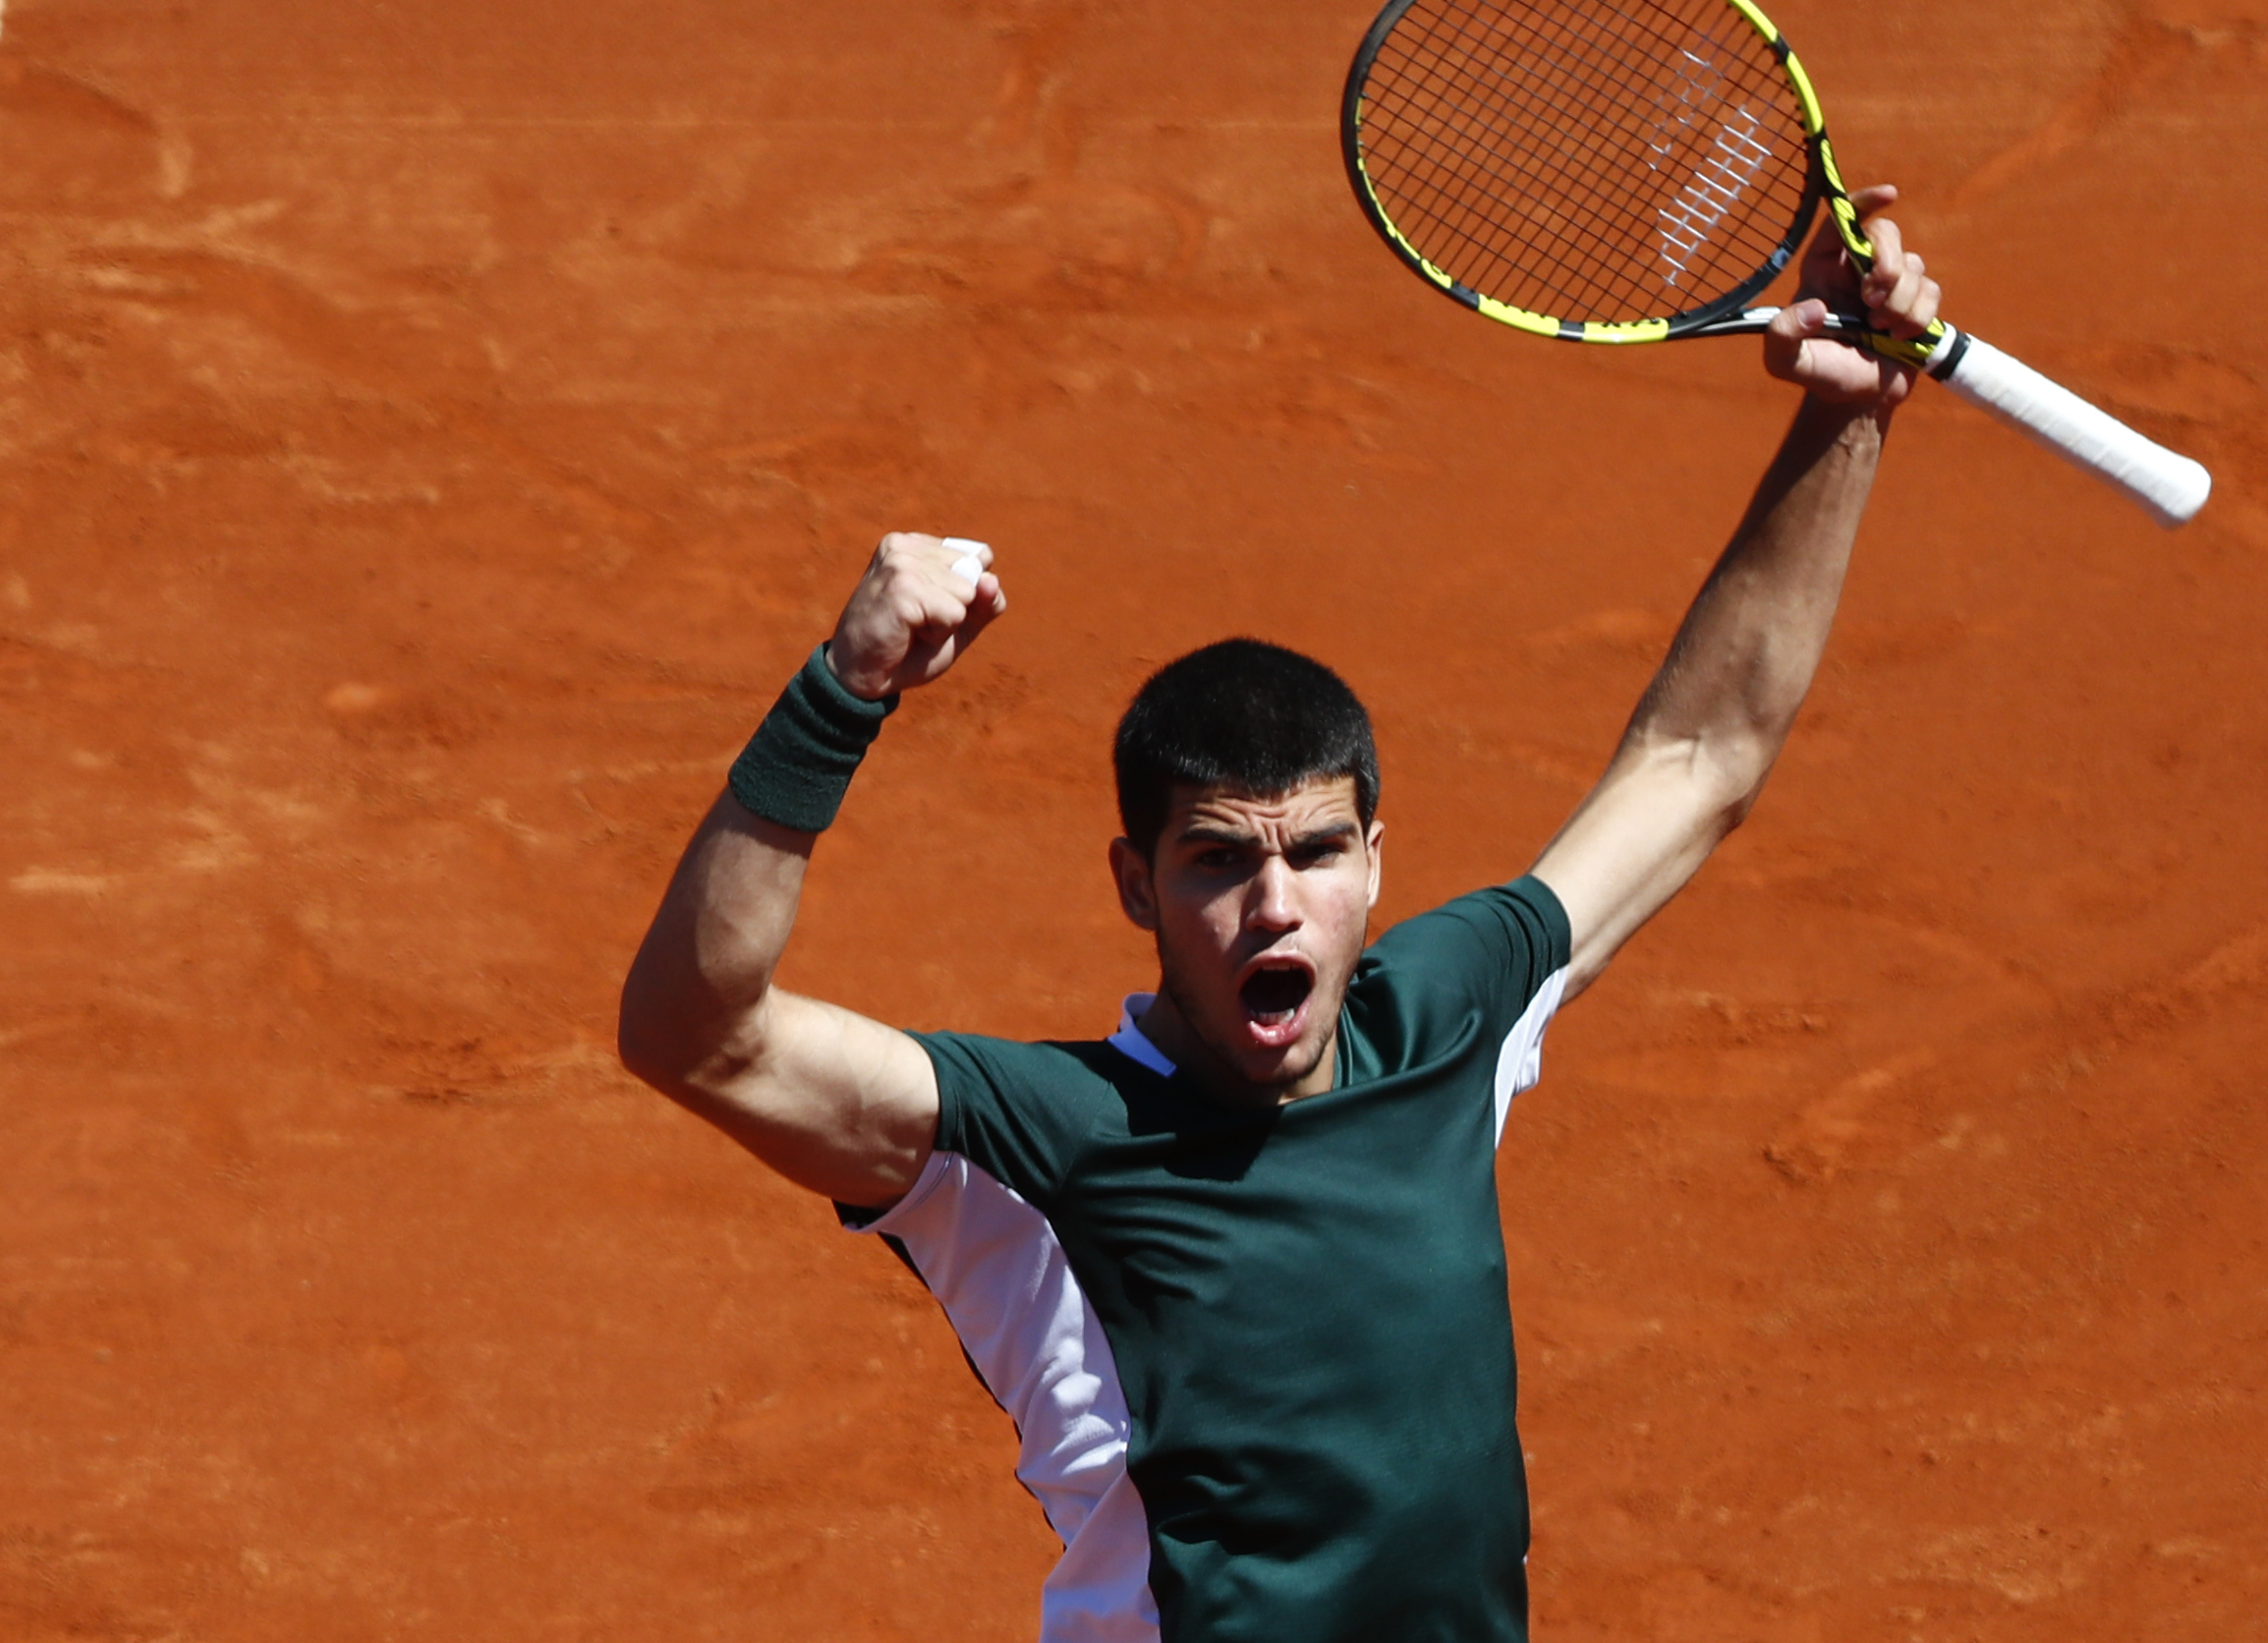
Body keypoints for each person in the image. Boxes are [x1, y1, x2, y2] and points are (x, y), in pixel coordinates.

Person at [618, 189, 1941, 1643]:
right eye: (1214, 864)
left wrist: (1846, 416)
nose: (1272, 907)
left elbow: (1699, 758)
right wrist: (844, 691)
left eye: (1315, 854)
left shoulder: (1443, 1020)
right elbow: (699, 1034)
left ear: (1373, 862)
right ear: (1135, 884)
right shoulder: (1034, 1142)